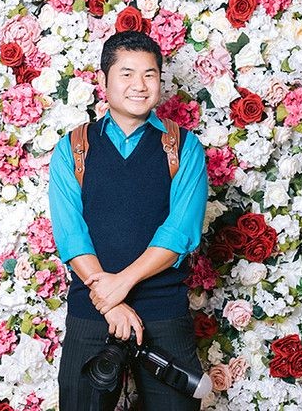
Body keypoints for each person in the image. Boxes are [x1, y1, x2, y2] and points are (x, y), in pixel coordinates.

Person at [49, 31, 208, 411]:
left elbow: (179, 233)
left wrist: (120, 285)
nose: (139, 85)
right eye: (127, 74)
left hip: (164, 312)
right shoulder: (73, 147)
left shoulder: (183, 147)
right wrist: (109, 304)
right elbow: (71, 235)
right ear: (103, 80)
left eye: (149, 75)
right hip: (91, 310)